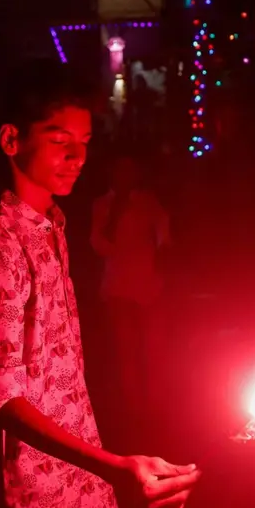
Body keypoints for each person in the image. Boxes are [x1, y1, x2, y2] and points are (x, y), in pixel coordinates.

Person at [0, 67, 199, 508]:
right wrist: (114, 467)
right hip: (28, 483)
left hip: (74, 465)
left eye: (85, 143)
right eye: (60, 141)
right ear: (11, 139)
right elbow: (2, 397)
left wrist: (103, 467)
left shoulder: (52, 225)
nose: (78, 158)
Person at [90, 153, 170, 419]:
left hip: (148, 285)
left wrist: (159, 258)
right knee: (127, 351)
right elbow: (99, 244)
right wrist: (115, 217)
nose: (125, 176)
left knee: (153, 348)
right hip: (118, 287)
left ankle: (156, 406)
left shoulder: (148, 202)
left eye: (130, 170)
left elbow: (164, 235)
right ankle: (134, 409)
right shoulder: (102, 205)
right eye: (120, 170)